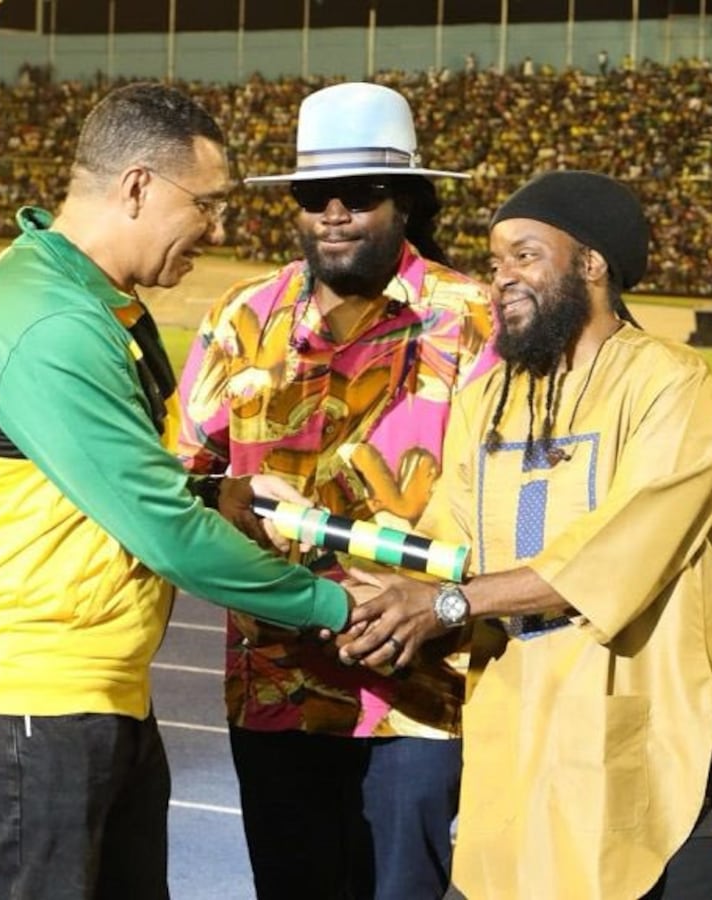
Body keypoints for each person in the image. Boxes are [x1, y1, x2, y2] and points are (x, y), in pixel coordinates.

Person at [0, 83, 352, 900]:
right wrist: (336, 608)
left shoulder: (79, 299)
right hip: (25, 705)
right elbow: (165, 533)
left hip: (79, 693)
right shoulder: (50, 319)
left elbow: (99, 477)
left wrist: (215, 492)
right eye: (206, 204)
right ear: (139, 185)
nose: (218, 229)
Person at [334, 171, 712, 899]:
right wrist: (372, 591)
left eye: (525, 256)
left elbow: (621, 551)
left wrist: (445, 605)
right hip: (518, 749)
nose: (500, 278)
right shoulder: (488, 398)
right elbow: (450, 544)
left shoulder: (674, 386)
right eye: (496, 261)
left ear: (591, 265)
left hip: (643, 755)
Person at [175, 81, 494, 900]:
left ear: (411, 201)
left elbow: (522, 492)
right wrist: (225, 499)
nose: (336, 212)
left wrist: (448, 600)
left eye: (363, 193)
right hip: (275, 682)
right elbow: (184, 476)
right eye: (316, 194)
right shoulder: (242, 318)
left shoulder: (475, 321)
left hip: (424, 687)